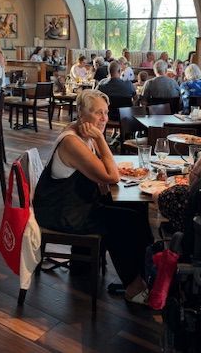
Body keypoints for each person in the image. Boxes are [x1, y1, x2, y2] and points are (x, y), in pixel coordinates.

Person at [33, 90, 152, 304]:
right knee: (123, 222)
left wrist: (97, 139)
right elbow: (112, 176)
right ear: (81, 113)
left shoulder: (82, 132)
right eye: (98, 113)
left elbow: (104, 173)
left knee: (136, 209)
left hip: (72, 205)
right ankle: (134, 287)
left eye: (106, 112)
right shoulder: (72, 141)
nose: (104, 118)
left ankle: (143, 277)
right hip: (61, 213)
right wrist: (100, 138)